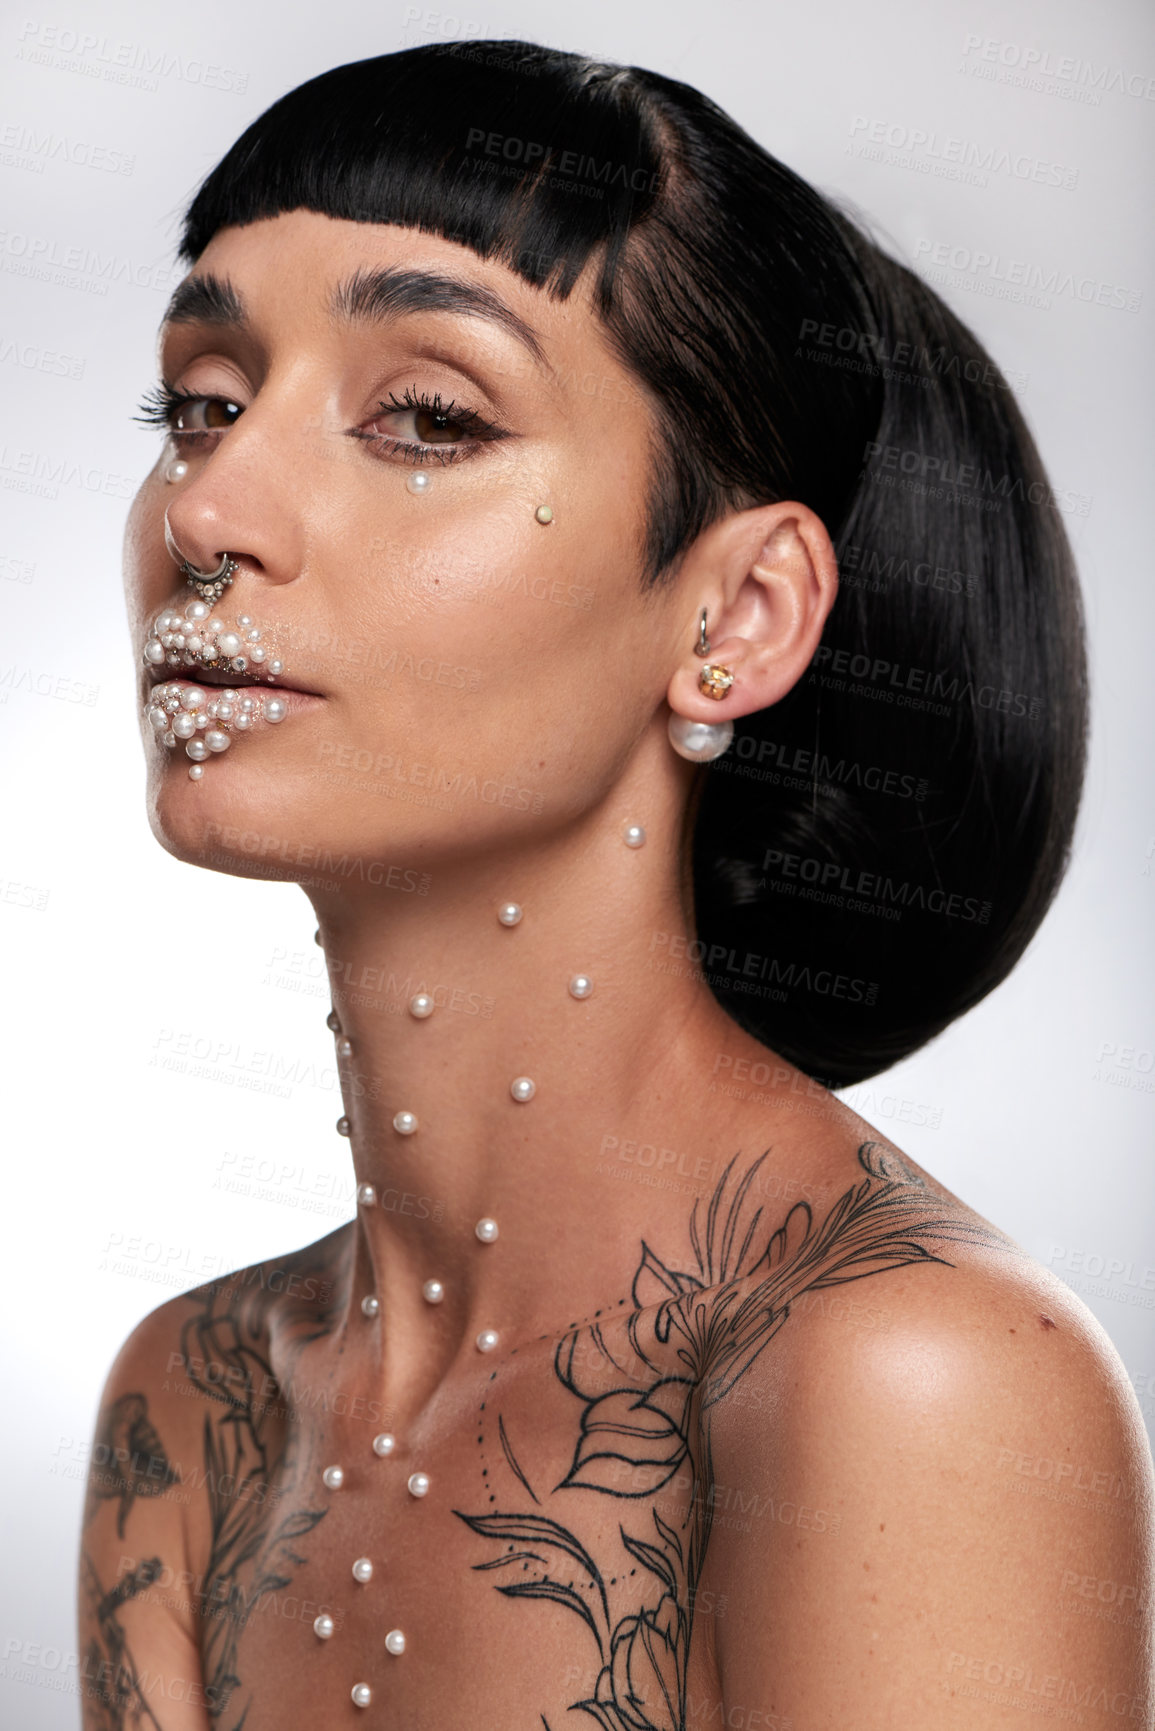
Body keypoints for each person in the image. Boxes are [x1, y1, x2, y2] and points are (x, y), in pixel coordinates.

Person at [78, 39, 1153, 1729]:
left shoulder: (898, 1382)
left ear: (734, 620)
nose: (211, 506)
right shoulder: (199, 1408)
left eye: (426, 417)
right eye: (201, 400)